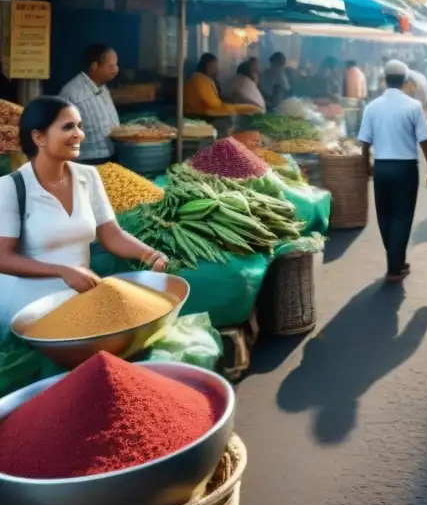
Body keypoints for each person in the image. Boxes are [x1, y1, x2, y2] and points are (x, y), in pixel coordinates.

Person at [0, 97, 169, 336]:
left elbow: (111, 234)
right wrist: (62, 270)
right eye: (68, 127)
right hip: (29, 305)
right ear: (39, 138)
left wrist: (150, 255)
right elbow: (3, 258)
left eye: (79, 126)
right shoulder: (11, 186)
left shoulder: (88, 177)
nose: (79, 134)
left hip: (78, 297)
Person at [358, 60, 427, 283]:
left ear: (384, 79)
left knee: (384, 215)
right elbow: (426, 141)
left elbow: (363, 143)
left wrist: (365, 168)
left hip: (382, 168)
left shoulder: (372, 107)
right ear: (405, 80)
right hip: (405, 168)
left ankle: (396, 261)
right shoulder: (413, 106)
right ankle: (394, 267)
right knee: (402, 216)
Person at [58, 45, 120, 166]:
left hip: (109, 158)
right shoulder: (73, 93)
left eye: (116, 65)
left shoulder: (103, 88)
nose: (116, 70)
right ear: (94, 66)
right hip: (85, 163)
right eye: (111, 66)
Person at [184, 54, 258, 118]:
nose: (216, 70)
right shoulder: (200, 79)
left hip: (202, 112)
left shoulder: (201, 78)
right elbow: (214, 104)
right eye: (214, 67)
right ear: (207, 67)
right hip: (199, 115)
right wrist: (246, 108)